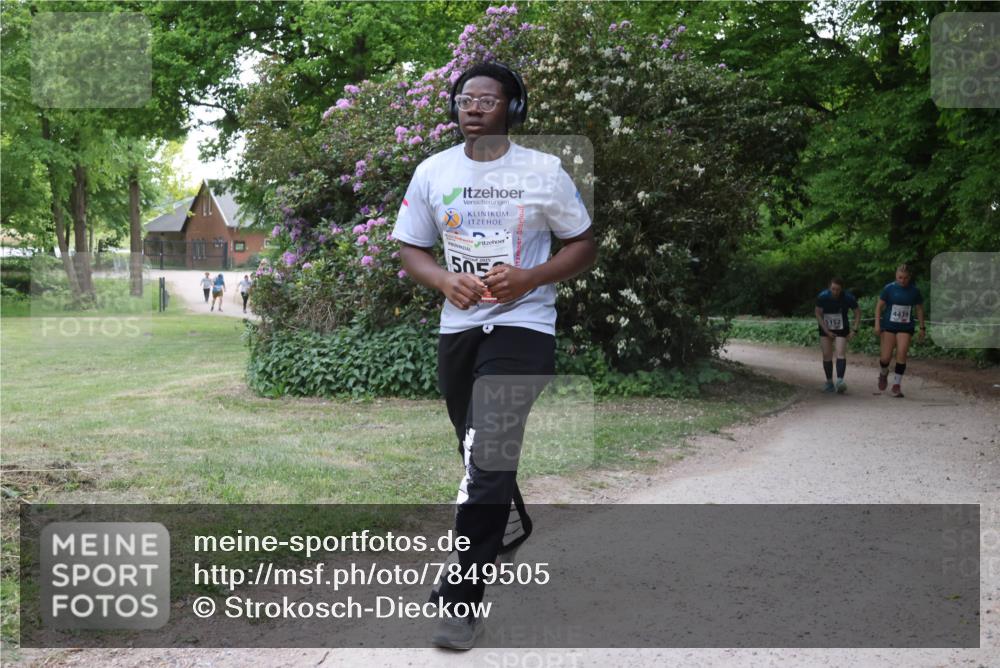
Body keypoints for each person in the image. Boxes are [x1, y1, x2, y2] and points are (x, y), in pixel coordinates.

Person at [392, 61, 597, 650]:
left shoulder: (543, 171)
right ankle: (505, 517)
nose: (473, 105)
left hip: (523, 328)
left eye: (487, 98)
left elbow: (583, 244)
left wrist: (531, 277)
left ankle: (460, 601)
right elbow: (412, 247)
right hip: (458, 329)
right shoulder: (433, 170)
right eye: (464, 97)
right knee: (478, 455)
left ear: (514, 108)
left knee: (487, 455)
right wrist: (441, 281)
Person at [874, 263, 925, 397]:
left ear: (910, 277)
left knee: (901, 353)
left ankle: (897, 385)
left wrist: (922, 327)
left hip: (905, 327)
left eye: (905, 278)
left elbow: (919, 308)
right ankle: (884, 373)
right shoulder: (889, 289)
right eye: (900, 277)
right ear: (896, 276)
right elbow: (879, 307)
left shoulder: (915, 291)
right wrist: (877, 325)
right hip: (889, 326)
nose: (902, 280)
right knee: (885, 358)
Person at [814, 277, 860, 393]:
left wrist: (854, 330)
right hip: (826, 327)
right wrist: (826, 331)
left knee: (840, 353)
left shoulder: (848, 297)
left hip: (841, 327)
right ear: (829, 287)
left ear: (841, 289)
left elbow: (858, 312)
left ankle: (840, 382)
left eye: (838, 290)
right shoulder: (822, 296)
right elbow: (818, 313)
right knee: (826, 355)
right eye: (833, 289)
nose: (835, 292)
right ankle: (829, 383)